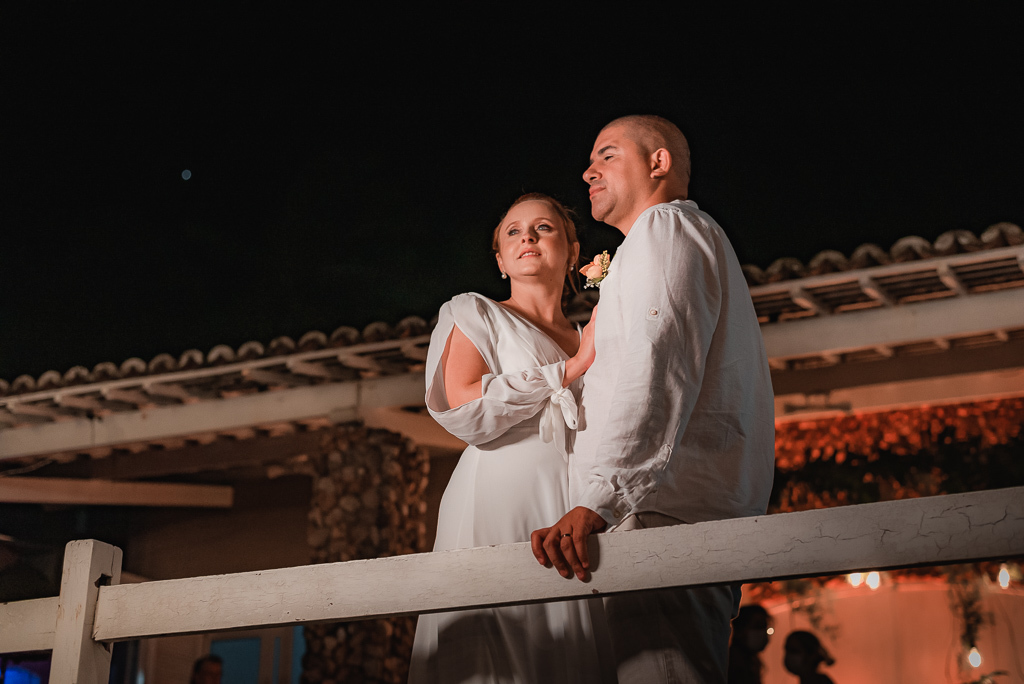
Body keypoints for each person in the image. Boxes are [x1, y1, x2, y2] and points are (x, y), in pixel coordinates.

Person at [531, 114, 775, 683]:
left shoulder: (664, 228)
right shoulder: (673, 237)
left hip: (660, 511)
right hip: (666, 507)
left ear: (658, 162)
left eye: (607, 155)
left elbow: (656, 367)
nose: (588, 170)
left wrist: (602, 497)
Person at [408, 193, 614, 684]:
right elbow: (460, 405)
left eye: (543, 228)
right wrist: (568, 369)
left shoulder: (596, 331)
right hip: (497, 496)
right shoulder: (475, 312)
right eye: (513, 231)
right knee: (497, 647)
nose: (528, 237)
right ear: (500, 260)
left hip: (573, 501)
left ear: (572, 249)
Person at [728, 604, 772, 684]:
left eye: (764, 627)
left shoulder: (753, 661)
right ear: (740, 629)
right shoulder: (731, 664)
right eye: (757, 626)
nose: (762, 632)